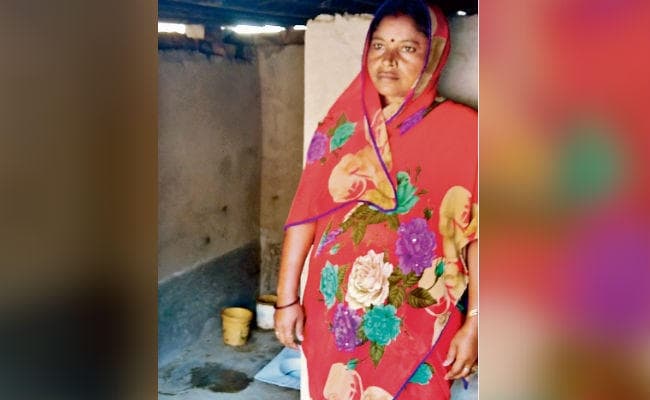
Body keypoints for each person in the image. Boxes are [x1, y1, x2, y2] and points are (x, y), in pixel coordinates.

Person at [275, 0, 477, 398]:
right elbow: (305, 217)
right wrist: (286, 301)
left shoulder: (465, 131)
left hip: (421, 320)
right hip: (335, 314)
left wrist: (475, 322)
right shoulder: (340, 128)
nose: (388, 60)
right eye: (379, 45)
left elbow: (478, 237)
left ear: (434, 53)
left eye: (408, 48)